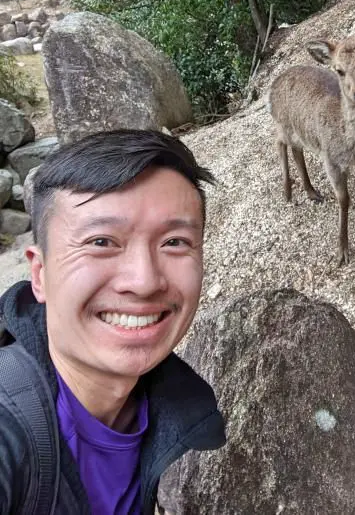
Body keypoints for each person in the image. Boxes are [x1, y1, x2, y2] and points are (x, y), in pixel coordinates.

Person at [0, 128, 226, 514]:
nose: (144, 281)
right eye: (102, 242)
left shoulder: (166, 407)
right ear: (39, 275)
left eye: (174, 242)